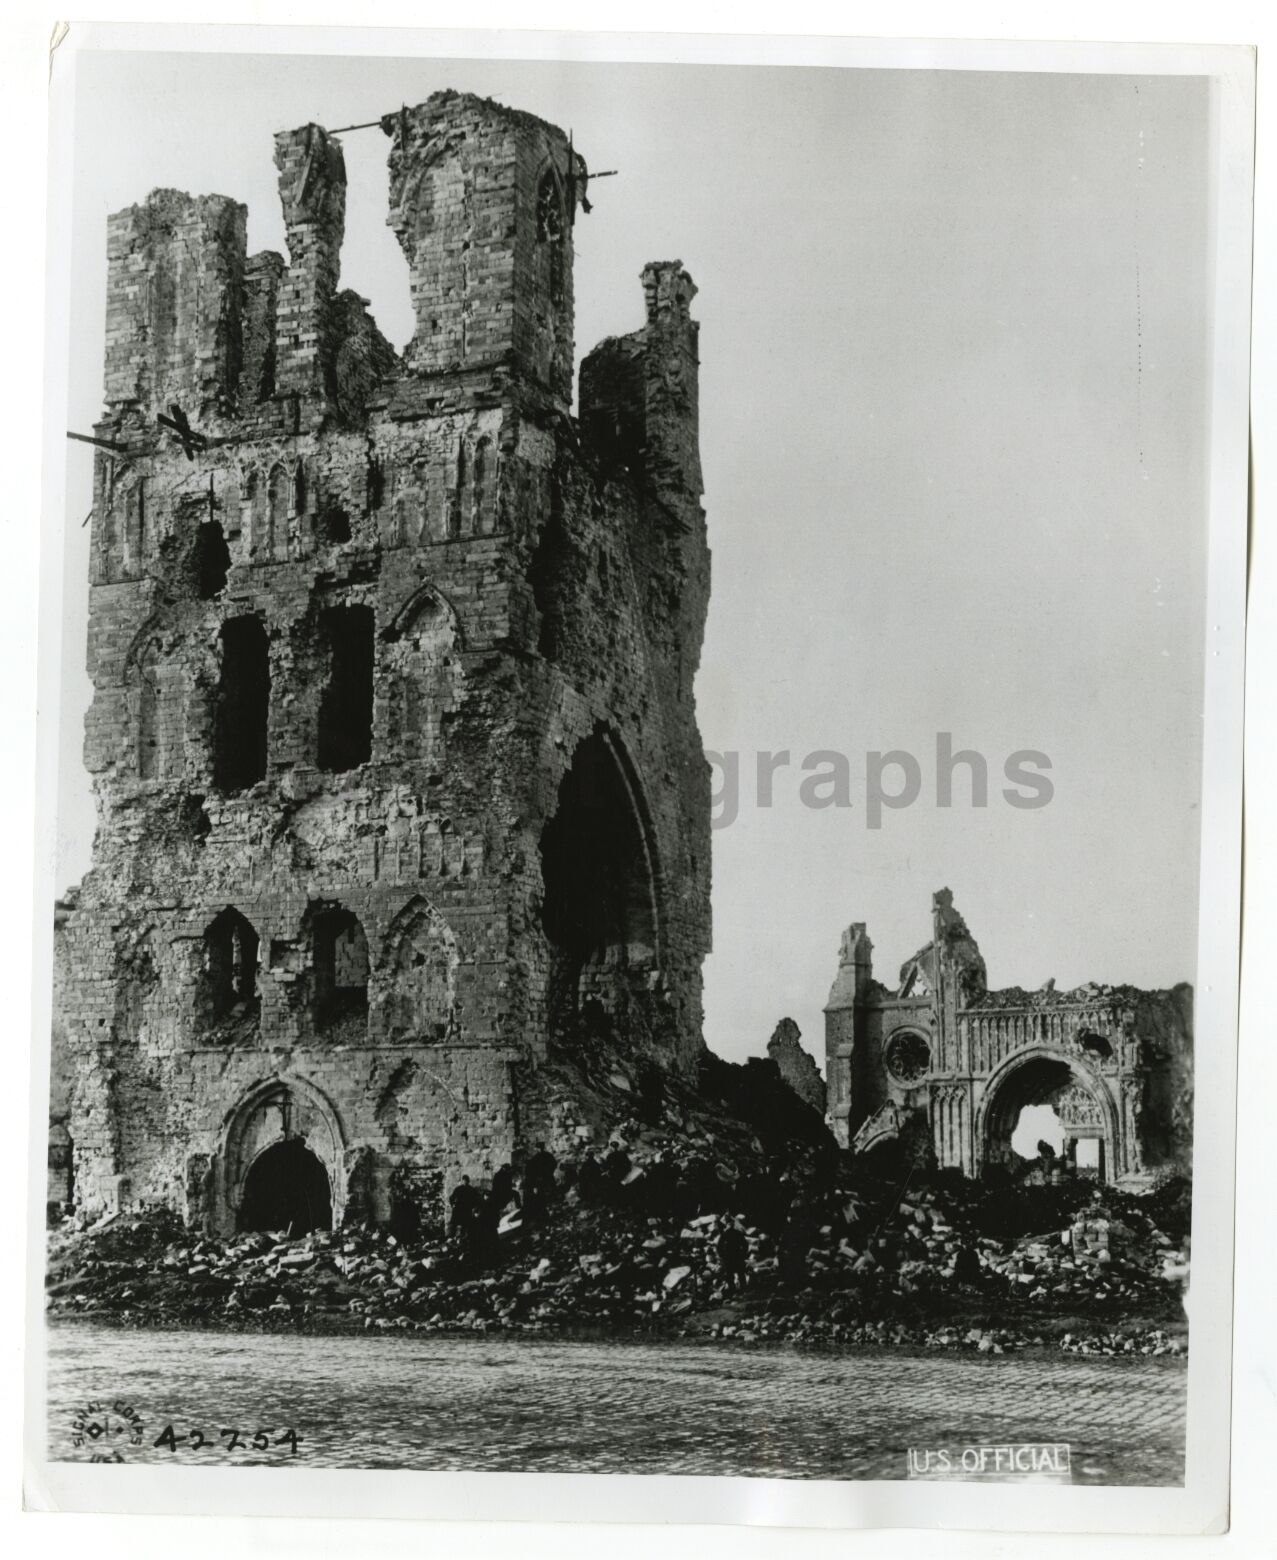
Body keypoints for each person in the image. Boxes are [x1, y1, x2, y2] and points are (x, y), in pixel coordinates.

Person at [716, 1217, 750, 1293]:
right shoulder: (735, 1233)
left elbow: (719, 1247)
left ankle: (734, 1289)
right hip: (735, 1256)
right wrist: (743, 1253)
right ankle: (742, 1289)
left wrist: (722, 1255)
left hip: (730, 1257)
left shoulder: (725, 1234)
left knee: (732, 1274)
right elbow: (745, 1245)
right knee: (738, 1273)